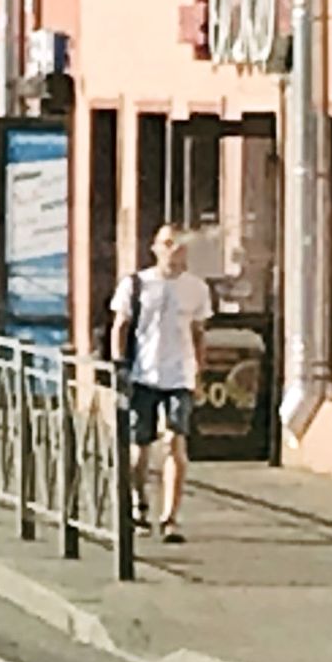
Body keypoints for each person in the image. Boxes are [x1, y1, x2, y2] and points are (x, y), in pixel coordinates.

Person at [110, 227, 214, 541]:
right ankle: (138, 504)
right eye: (167, 244)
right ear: (155, 248)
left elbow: (198, 333)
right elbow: (121, 325)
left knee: (174, 442)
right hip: (143, 374)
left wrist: (198, 373)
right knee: (139, 447)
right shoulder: (136, 284)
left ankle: (171, 517)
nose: (173, 250)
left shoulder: (196, 288)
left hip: (179, 376)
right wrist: (119, 366)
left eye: (179, 245)